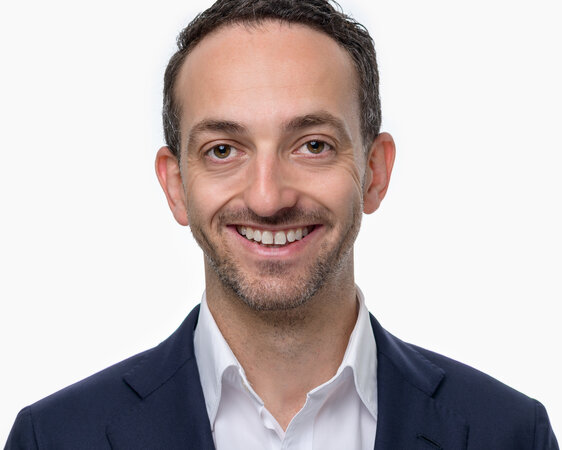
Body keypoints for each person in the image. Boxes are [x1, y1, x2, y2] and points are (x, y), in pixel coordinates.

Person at [5, 0, 559, 449]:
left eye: (313, 145)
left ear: (374, 172)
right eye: (223, 150)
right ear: (175, 186)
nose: (268, 198)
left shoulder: (510, 435)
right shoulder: (53, 439)